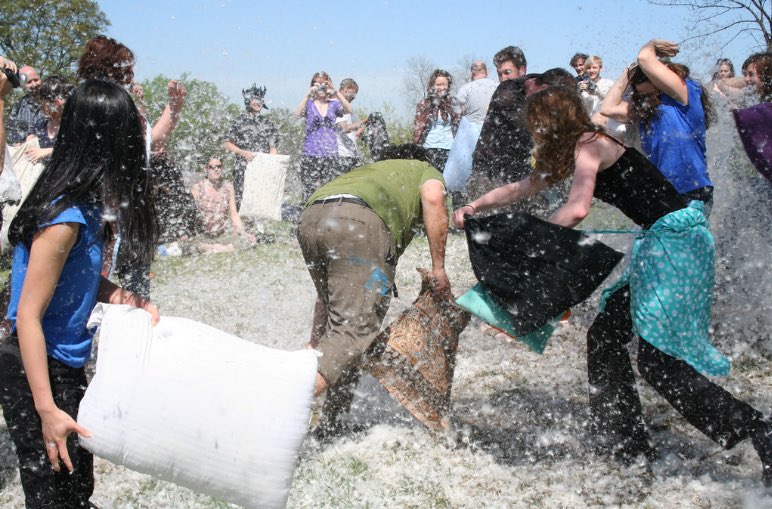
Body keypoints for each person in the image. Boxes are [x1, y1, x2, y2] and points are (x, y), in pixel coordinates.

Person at [453, 85, 771, 486]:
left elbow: (578, 208)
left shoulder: (590, 145)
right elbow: (523, 188)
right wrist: (475, 206)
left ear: (553, 122)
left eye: (536, 125)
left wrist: (530, 242)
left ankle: (759, 432)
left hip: (676, 246)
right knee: (604, 337)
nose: (532, 134)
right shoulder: (578, 147)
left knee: (657, 364)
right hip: (664, 242)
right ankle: (621, 441)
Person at [0, 79, 161, 509]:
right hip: (35, 368)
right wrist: (47, 411)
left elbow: (80, 281)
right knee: (53, 497)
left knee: (76, 490)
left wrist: (130, 298)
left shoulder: (86, 206)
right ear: (103, 142)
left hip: (63, 366)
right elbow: (27, 316)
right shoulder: (65, 218)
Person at [297, 144, 451, 433]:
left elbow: (328, 300)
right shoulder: (424, 170)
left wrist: (315, 339)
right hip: (358, 225)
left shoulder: (369, 174)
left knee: (345, 328)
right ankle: (280, 405)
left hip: (311, 218)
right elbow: (433, 197)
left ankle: (333, 422)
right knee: (355, 330)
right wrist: (438, 268)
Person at [77, 35, 187, 298]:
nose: (132, 71)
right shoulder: (94, 102)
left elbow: (151, 139)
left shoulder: (119, 101)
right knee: (90, 285)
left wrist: (174, 106)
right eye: (126, 65)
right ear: (109, 66)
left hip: (130, 209)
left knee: (134, 286)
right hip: (101, 209)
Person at [600, 39, 715, 207]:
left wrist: (652, 45)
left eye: (655, 92)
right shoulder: (646, 110)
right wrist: (628, 73)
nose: (649, 99)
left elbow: (645, 58)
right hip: (663, 192)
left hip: (693, 191)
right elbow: (608, 108)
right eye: (643, 95)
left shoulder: (684, 97)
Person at [466, 67, 576, 207]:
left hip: (521, 168)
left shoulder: (543, 85)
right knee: (490, 223)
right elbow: (535, 130)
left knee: (540, 218)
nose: (551, 107)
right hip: (490, 172)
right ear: (542, 87)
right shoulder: (507, 92)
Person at [294, 71, 353, 201]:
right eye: (317, 84)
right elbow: (297, 114)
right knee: (309, 191)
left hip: (330, 153)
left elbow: (349, 110)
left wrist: (336, 91)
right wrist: (308, 94)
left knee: (330, 191)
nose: (320, 87)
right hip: (311, 153)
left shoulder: (333, 104)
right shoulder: (309, 103)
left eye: (323, 84)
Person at [443, 61, 498, 199]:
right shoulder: (497, 86)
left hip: (469, 134)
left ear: (472, 73)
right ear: (486, 72)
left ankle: (460, 209)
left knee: (461, 174)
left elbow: (456, 111)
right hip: (492, 134)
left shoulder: (466, 88)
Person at [223, 84, 279, 209]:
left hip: (261, 168)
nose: (258, 102)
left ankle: (258, 227)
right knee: (241, 201)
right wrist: (243, 153)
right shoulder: (238, 121)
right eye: (255, 99)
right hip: (242, 167)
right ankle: (241, 226)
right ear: (248, 101)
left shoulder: (268, 124)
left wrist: (271, 165)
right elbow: (227, 144)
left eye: (260, 100)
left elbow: (273, 148)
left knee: (260, 201)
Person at [190, 157, 256, 254]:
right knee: (192, 245)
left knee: (248, 241)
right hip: (203, 235)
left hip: (222, 235)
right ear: (206, 169)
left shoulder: (228, 187)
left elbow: (234, 214)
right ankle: (221, 249)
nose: (216, 169)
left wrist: (243, 231)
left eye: (219, 166)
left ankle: (213, 249)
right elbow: (190, 215)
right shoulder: (198, 188)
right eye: (212, 167)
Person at [412, 69, 460, 172]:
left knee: (447, 181)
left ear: (448, 86)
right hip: (429, 148)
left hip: (449, 148)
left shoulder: (454, 103)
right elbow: (417, 128)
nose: (442, 87)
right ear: (433, 86)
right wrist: (415, 147)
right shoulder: (424, 104)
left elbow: (459, 126)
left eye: (444, 84)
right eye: (438, 85)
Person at [24, 76, 74, 164]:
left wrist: (49, 151)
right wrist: (29, 141)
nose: (41, 104)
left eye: (46, 99)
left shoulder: (74, 124)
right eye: (42, 99)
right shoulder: (41, 124)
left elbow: (78, 149)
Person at [334, 78, 366, 175]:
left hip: (351, 155)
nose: (354, 97)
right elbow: (345, 128)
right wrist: (366, 120)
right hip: (342, 156)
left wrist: (359, 131)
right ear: (346, 89)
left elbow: (354, 128)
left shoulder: (346, 106)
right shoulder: (337, 103)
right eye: (354, 93)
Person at [6, 65, 44, 145]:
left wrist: (39, 137)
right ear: (22, 85)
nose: (34, 84)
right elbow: (10, 131)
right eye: (29, 82)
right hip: (26, 154)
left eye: (36, 80)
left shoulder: (53, 102)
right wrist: (19, 141)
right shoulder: (18, 106)